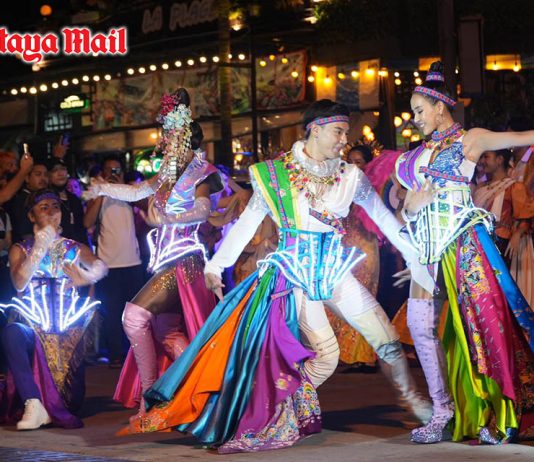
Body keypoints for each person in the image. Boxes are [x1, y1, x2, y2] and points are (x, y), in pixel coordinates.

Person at [125, 99, 432, 453]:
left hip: (334, 270)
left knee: (385, 337)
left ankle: (414, 402)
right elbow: (248, 223)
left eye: (345, 132)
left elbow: (384, 220)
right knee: (327, 357)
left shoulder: (350, 177)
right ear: (315, 129)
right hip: (296, 275)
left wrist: (416, 257)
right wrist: (215, 266)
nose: (343, 140)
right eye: (338, 131)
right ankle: (273, 408)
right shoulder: (274, 175)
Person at [396, 61, 534, 444]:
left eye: (419, 111)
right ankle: (442, 412)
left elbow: (524, 136)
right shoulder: (414, 156)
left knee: (482, 324)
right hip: (425, 250)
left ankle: (498, 411)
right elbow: (405, 205)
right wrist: (410, 207)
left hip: (462, 242)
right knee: (420, 327)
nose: (415, 119)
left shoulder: (469, 140)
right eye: (413, 113)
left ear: (439, 107)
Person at [84, 89, 221, 420]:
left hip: (184, 260)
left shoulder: (202, 171)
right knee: (166, 334)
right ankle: (202, 392)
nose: (163, 142)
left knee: (132, 317)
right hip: (164, 263)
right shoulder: (167, 174)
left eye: (168, 136)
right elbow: (136, 191)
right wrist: (101, 188)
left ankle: (151, 399)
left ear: (184, 138)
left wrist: (171, 218)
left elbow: (203, 209)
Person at [0, 190, 107, 430]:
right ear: (31, 216)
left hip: (65, 338)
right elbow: (19, 282)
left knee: (70, 402)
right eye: (43, 207)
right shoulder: (21, 249)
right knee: (12, 332)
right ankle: (33, 402)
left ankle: (51, 401)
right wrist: (41, 244)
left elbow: (99, 267)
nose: (51, 211)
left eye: (55, 206)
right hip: (33, 328)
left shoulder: (74, 248)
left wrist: (87, 276)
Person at [83, 155, 145, 366]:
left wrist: (121, 187)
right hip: (108, 264)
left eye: (117, 170)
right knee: (112, 312)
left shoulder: (130, 191)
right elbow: (87, 222)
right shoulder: (98, 194)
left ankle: (136, 351)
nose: (113, 173)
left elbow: (145, 205)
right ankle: (116, 354)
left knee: (134, 311)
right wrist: (103, 191)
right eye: (109, 170)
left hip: (133, 262)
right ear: (102, 173)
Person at [473, 149, 515, 253]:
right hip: (477, 239)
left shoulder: (513, 187)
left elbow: (523, 220)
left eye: (486, 157)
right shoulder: (480, 187)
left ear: (499, 160)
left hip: (500, 242)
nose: (482, 161)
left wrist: (517, 235)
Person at [5, 160, 49, 243]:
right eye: (38, 174)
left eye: (46, 175)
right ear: (27, 178)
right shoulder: (21, 201)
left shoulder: (45, 198)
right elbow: (24, 233)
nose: (43, 178)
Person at [47, 158, 88, 245]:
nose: (60, 173)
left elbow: (81, 229)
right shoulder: (46, 199)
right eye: (55, 170)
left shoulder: (74, 199)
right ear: (48, 175)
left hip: (77, 248)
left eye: (63, 169)